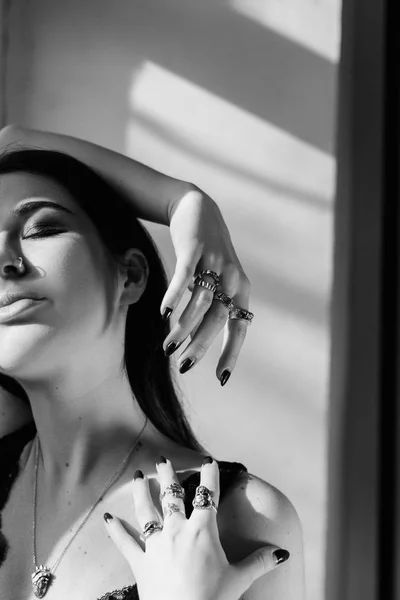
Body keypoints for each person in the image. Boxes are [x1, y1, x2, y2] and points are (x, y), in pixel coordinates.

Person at [0, 125, 305, 600]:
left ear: (133, 275)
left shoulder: (246, 521)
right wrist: (181, 200)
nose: (3, 260)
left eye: (42, 228)